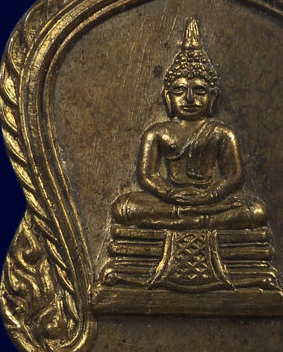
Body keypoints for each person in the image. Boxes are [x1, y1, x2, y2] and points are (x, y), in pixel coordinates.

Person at [112, 17, 268, 230]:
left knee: (257, 210)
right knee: (123, 207)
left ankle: (193, 220)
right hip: (170, 200)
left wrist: (211, 195)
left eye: (199, 90)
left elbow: (234, 176)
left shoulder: (222, 133)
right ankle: (197, 219)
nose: (189, 99)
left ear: (213, 98)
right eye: (179, 90)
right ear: (167, 97)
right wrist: (170, 193)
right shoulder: (157, 132)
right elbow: (147, 176)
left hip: (210, 200)